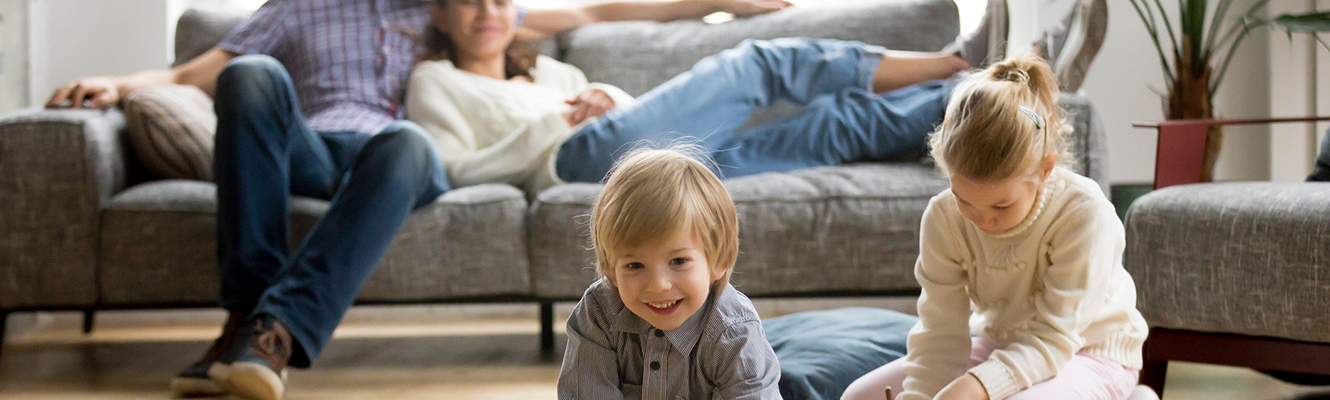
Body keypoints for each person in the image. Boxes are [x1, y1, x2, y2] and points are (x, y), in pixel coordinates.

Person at [43, 1, 790, 400]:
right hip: (312, 146)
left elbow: (596, 16)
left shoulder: (455, 9)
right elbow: (199, 69)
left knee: (407, 143)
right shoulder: (302, 8)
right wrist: (118, 85)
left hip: (395, 158)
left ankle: (267, 336)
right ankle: (252, 320)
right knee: (251, 77)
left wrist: (718, 3)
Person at [406, 0, 1105, 194]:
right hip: (579, 164)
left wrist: (602, 97)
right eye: (466, 0)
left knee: (836, 126)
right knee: (758, 65)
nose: (487, 10)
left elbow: (612, 85)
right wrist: (558, 124)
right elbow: (448, 170)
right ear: (438, 15)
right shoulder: (437, 80)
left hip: (653, 163)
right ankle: (960, 57)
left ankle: (1002, 90)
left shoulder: (551, 72)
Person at [838, 51, 1148, 400]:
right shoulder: (943, 217)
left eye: (1002, 204)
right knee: (857, 397)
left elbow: (1055, 336)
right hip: (1001, 345)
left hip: (1090, 352)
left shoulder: (1083, 213)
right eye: (963, 199)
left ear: (1045, 170)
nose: (982, 220)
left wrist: (976, 387)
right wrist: (921, 396)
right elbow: (940, 333)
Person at [557, 147, 781, 399]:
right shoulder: (599, 313)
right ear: (612, 270)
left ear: (719, 261)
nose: (658, 285)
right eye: (635, 265)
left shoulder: (735, 333)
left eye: (678, 261)